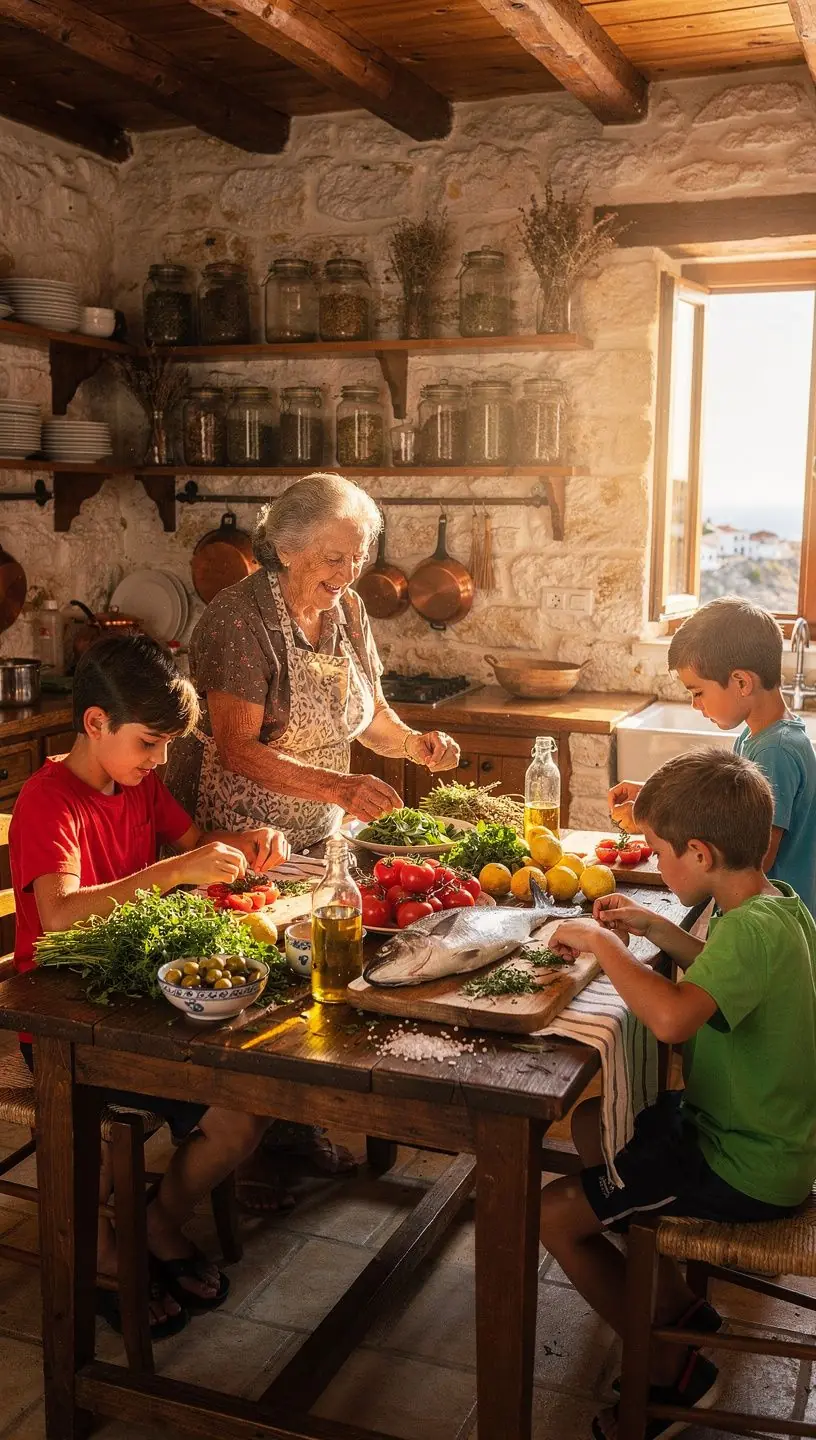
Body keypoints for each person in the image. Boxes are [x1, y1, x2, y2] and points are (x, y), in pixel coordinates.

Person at [165, 472, 460, 1199]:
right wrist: (338, 787)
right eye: (333, 557)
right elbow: (235, 747)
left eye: (356, 556)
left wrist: (418, 743)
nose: (346, 572)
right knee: (264, 990)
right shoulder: (239, 621)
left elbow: (375, 719)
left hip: (319, 836)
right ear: (287, 548)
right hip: (240, 836)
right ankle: (243, 1139)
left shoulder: (350, 610)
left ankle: (289, 1129)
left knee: (313, 979)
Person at [9, 634, 291, 1339]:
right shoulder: (51, 800)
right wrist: (175, 871)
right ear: (95, 723)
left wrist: (242, 842)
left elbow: (193, 842)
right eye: (150, 744)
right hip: (63, 1018)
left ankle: (157, 1221)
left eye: (167, 746)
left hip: (143, 1006)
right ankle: (103, 1254)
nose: (161, 760)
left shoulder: (135, 783)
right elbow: (61, 915)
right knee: (98, 1143)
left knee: (247, 1111)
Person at [541, 747, 816, 1440]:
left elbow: (671, 1016)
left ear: (698, 852)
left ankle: (667, 1362)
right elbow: (724, 976)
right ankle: (676, 1312)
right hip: (757, 1136)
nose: (655, 863)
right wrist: (658, 929)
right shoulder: (774, 908)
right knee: (595, 1126)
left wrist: (607, 949)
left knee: (553, 1214)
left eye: (658, 852)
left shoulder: (745, 928)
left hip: (743, 1165)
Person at [609, 596, 816, 914]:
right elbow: (730, 812)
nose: (695, 705)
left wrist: (657, 826)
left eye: (698, 692)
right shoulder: (759, 735)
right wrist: (657, 799)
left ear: (741, 682)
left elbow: (754, 857)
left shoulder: (775, 751)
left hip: (768, 924)